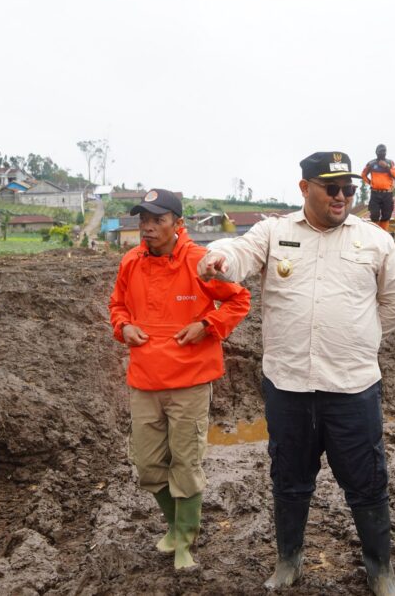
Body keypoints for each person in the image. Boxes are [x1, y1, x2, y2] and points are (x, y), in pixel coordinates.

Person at [197, 151, 395, 595]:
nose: (342, 196)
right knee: (290, 480)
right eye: (331, 187)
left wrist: (359, 336)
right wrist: (217, 257)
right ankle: (288, 561)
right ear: (304, 189)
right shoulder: (275, 231)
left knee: (368, 482)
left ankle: (381, 571)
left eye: (349, 189)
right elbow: (237, 252)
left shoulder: (374, 240)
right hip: (288, 385)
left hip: (352, 387)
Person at [108, 188, 251, 570]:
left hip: (188, 381)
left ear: (178, 224)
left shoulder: (199, 262)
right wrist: (123, 328)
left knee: (185, 463)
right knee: (149, 465)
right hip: (144, 379)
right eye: (144, 220)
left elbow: (239, 300)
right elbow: (117, 305)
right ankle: (172, 526)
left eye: (158, 220)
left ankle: (185, 540)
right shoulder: (131, 263)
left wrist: (207, 324)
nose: (148, 228)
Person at [362, 144, 395, 231]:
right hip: (375, 193)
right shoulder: (371, 164)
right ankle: (376, 233)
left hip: (387, 193)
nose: (382, 153)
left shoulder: (390, 163)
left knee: (386, 215)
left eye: (384, 152)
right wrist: (371, 182)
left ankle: (384, 234)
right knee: (374, 215)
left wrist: (386, 167)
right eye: (380, 152)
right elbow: (363, 175)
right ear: (376, 152)